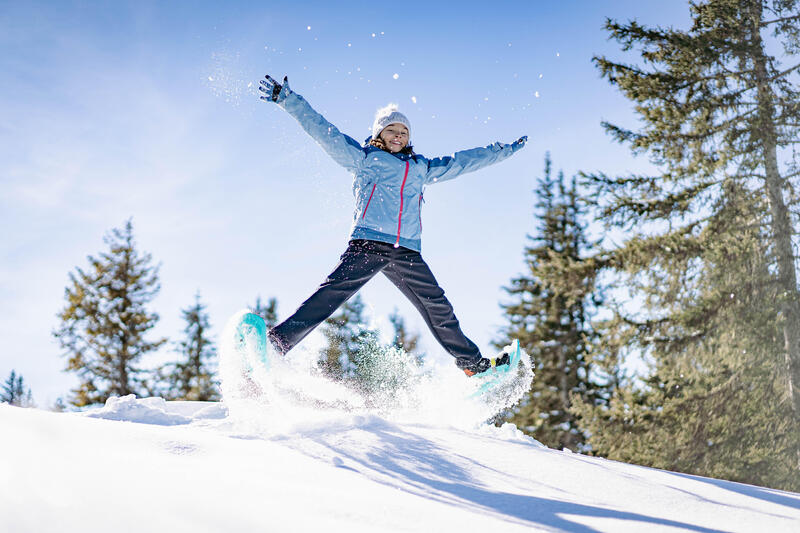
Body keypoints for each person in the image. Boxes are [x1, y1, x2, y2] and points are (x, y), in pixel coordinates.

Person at [258, 74, 527, 376]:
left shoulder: (420, 167)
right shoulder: (364, 158)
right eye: (392, 130)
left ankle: (473, 366)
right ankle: (275, 344)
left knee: (438, 307)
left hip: (407, 251)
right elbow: (325, 132)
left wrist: (502, 151)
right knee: (329, 296)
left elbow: (461, 162)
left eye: (403, 131)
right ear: (379, 134)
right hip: (368, 244)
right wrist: (289, 101)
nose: (398, 135)